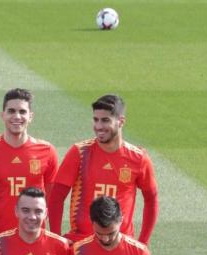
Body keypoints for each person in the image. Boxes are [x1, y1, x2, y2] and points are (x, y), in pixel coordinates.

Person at [49, 94, 158, 245]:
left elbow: (151, 199)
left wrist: (143, 242)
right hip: (82, 243)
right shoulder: (79, 153)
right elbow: (56, 196)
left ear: (121, 122)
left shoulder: (138, 158)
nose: (99, 126)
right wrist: (56, 238)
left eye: (105, 120)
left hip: (120, 245)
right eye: (96, 119)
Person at [0, 88, 58, 247]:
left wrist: (33, 224)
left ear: (31, 116)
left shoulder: (47, 151)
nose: (17, 116)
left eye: (22, 111)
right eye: (11, 111)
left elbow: (51, 197)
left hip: (33, 239)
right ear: (2, 115)